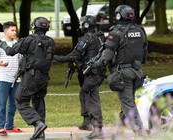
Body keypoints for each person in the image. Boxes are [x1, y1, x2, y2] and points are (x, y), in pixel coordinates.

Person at [90, 5, 148, 133]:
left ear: (118, 16)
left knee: (128, 103)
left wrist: (94, 64)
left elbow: (106, 58)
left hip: (123, 73)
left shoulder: (116, 32)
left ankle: (140, 132)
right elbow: (144, 53)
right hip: (138, 72)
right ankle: (120, 127)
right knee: (129, 100)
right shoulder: (140, 30)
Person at [0, 17, 56, 140]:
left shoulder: (29, 39)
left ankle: (38, 123)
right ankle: (40, 135)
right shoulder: (51, 41)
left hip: (32, 77)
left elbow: (11, 51)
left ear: (34, 26)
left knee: (20, 100)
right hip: (44, 78)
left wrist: (2, 44)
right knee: (38, 102)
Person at [54, 15, 106, 139]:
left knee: (91, 98)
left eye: (82, 24)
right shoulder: (100, 36)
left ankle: (97, 128)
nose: (81, 26)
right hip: (98, 72)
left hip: (92, 73)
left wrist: (56, 58)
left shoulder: (87, 38)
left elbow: (74, 55)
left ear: (87, 25)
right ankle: (86, 121)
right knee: (83, 93)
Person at [0, 21, 22, 136]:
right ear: (5, 31)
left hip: (16, 79)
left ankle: (9, 126)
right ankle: (0, 127)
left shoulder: (17, 44)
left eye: (15, 30)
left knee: (13, 104)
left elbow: (20, 59)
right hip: (3, 79)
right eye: (12, 30)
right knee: (2, 103)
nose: (15, 32)